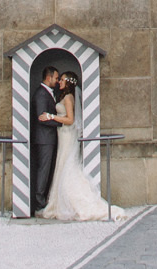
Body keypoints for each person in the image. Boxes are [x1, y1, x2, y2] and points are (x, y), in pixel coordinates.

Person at [37, 73, 126, 221]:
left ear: (68, 82)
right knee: (62, 164)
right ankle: (58, 203)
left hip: (67, 135)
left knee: (67, 165)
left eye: (62, 80)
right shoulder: (66, 97)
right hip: (63, 135)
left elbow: (70, 120)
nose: (59, 82)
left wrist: (51, 116)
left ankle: (72, 202)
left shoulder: (68, 98)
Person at [29, 65, 63, 215]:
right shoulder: (41, 94)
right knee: (43, 170)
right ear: (48, 78)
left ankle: (42, 200)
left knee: (47, 170)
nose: (57, 81)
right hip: (44, 139)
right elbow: (42, 117)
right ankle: (39, 203)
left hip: (48, 138)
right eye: (56, 78)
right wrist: (61, 123)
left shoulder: (48, 93)